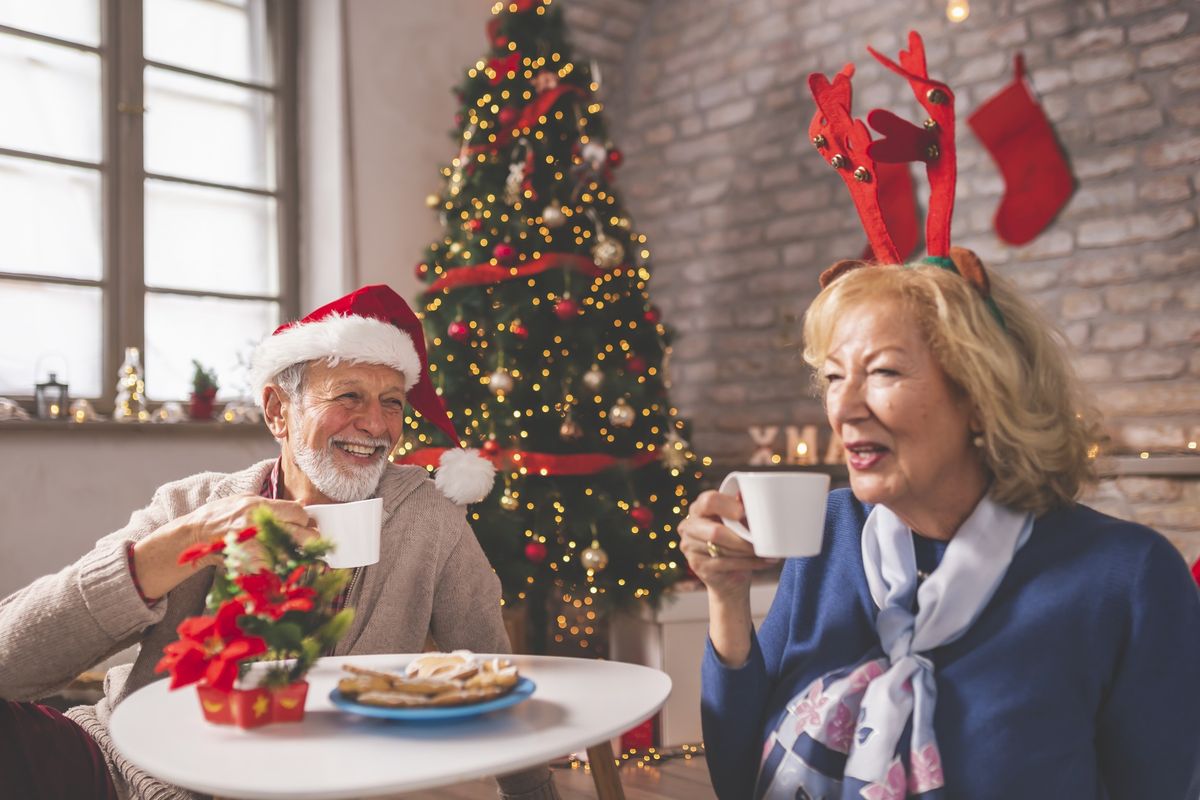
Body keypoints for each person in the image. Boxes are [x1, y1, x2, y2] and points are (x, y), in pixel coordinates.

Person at [0, 284, 559, 800]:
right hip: (122, 768)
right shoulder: (192, 507)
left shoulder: (429, 523)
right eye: (349, 395)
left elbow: (495, 677)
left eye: (392, 401)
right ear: (276, 411)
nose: (376, 424)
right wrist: (180, 545)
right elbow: (9, 659)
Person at [680, 257, 1200, 799]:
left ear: (980, 396)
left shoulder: (1127, 578)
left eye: (883, 371)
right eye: (834, 377)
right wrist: (727, 597)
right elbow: (739, 781)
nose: (845, 408)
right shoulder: (833, 531)